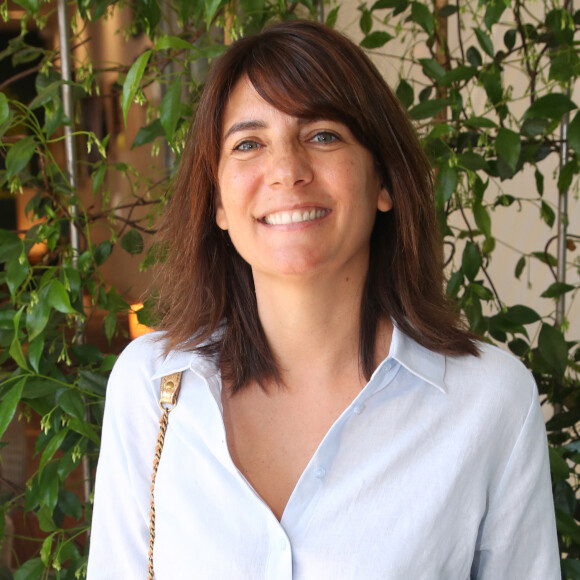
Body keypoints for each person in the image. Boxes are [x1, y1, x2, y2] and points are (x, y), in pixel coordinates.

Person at [87, 19, 560, 579]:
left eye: (323, 135)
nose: (286, 170)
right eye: (248, 143)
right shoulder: (150, 390)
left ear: (383, 180)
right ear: (217, 202)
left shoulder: (490, 400)